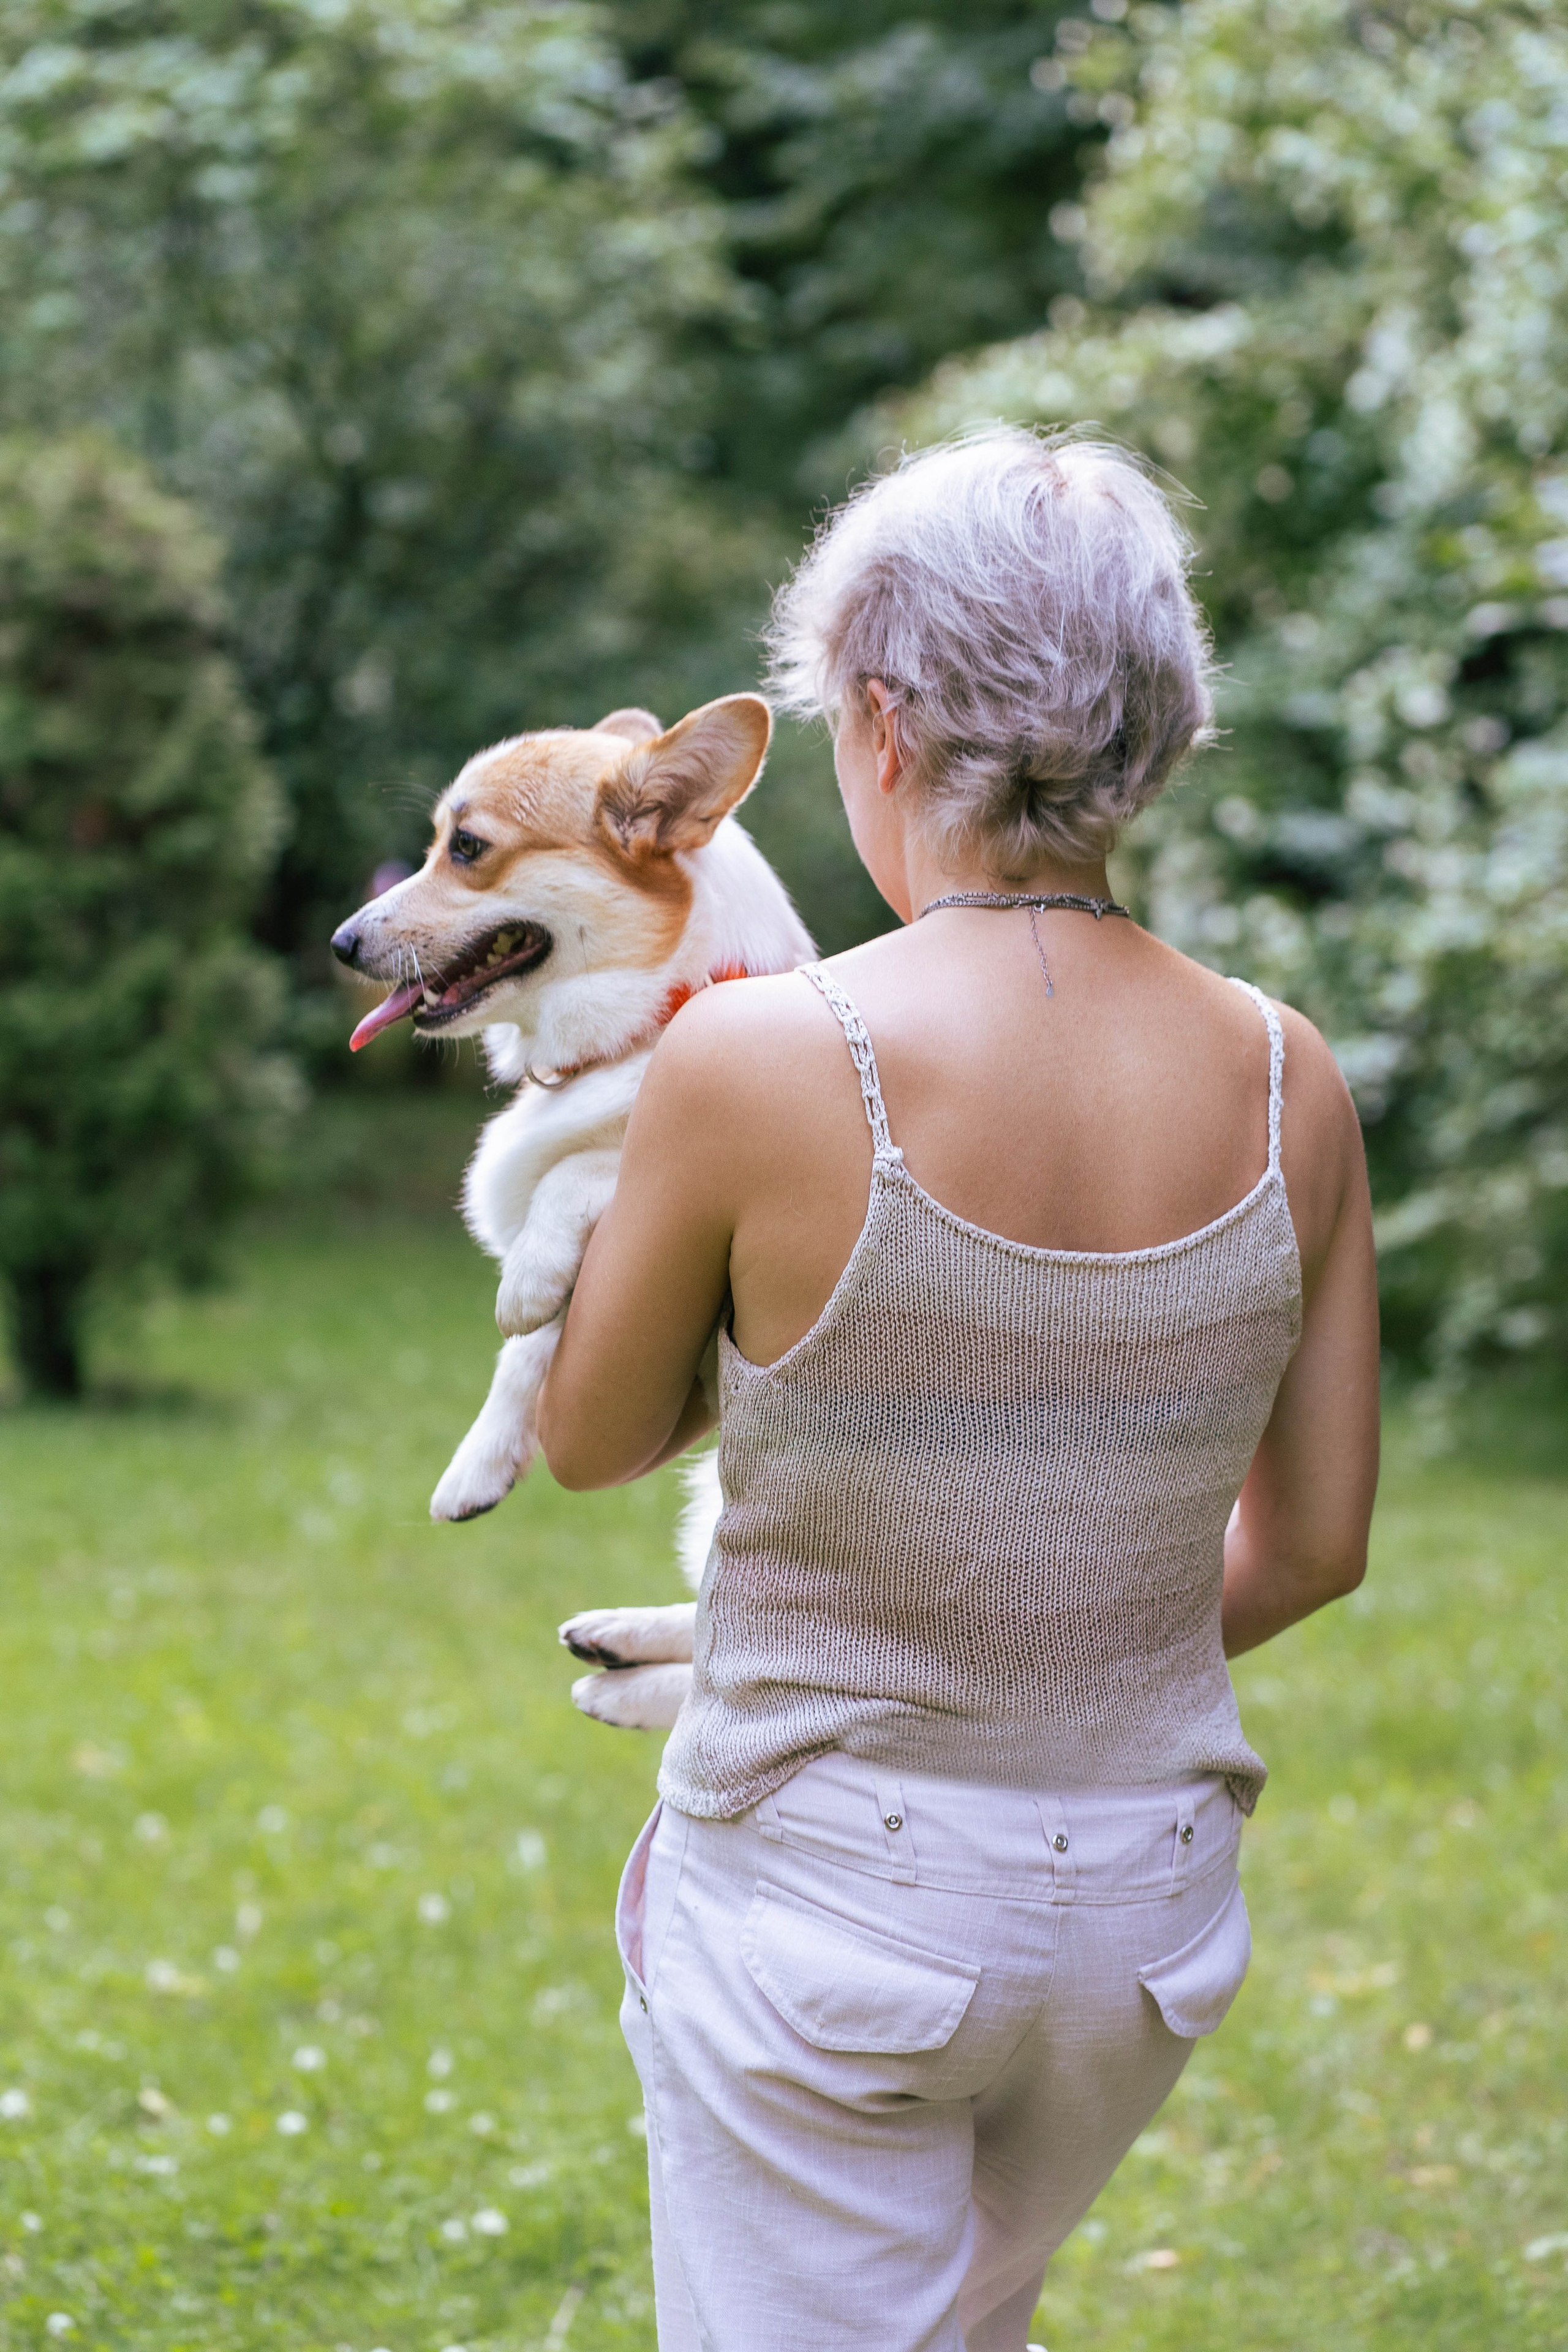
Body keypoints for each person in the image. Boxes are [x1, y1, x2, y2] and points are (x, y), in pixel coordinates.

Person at [537, 428, 1379, 2352]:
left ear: (889, 721)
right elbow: (1319, 1545)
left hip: (837, 1916)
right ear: (1153, 737)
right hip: (1148, 1935)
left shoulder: (761, 1058)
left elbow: (589, 1440)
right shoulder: (1284, 1077)